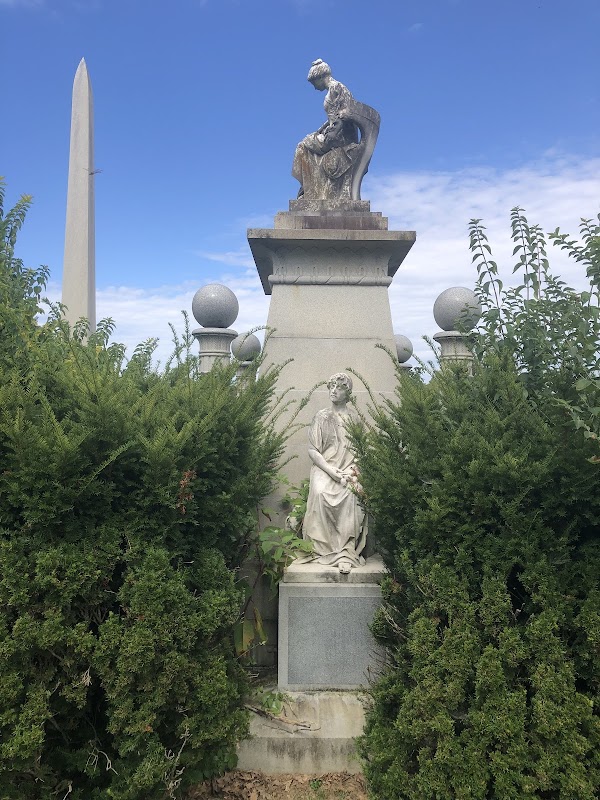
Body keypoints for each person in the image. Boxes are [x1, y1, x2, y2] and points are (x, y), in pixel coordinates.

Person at [301, 373, 367, 574]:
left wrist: (352, 471)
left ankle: (346, 551)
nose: (334, 390)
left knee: (352, 494)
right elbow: (313, 451)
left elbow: (361, 451)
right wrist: (331, 471)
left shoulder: (355, 420)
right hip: (325, 468)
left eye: (339, 387)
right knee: (321, 492)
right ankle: (321, 550)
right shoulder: (322, 417)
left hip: (348, 470)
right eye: (331, 387)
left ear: (348, 393)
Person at [292, 59, 361, 201]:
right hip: (334, 132)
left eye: (313, 83)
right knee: (306, 143)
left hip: (341, 137)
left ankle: (307, 189)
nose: (314, 87)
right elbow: (334, 117)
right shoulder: (334, 89)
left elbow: (345, 114)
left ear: (320, 77)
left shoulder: (337, 88)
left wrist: (332, 131)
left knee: (303, 146)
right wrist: (322, 128)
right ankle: (308, 188)